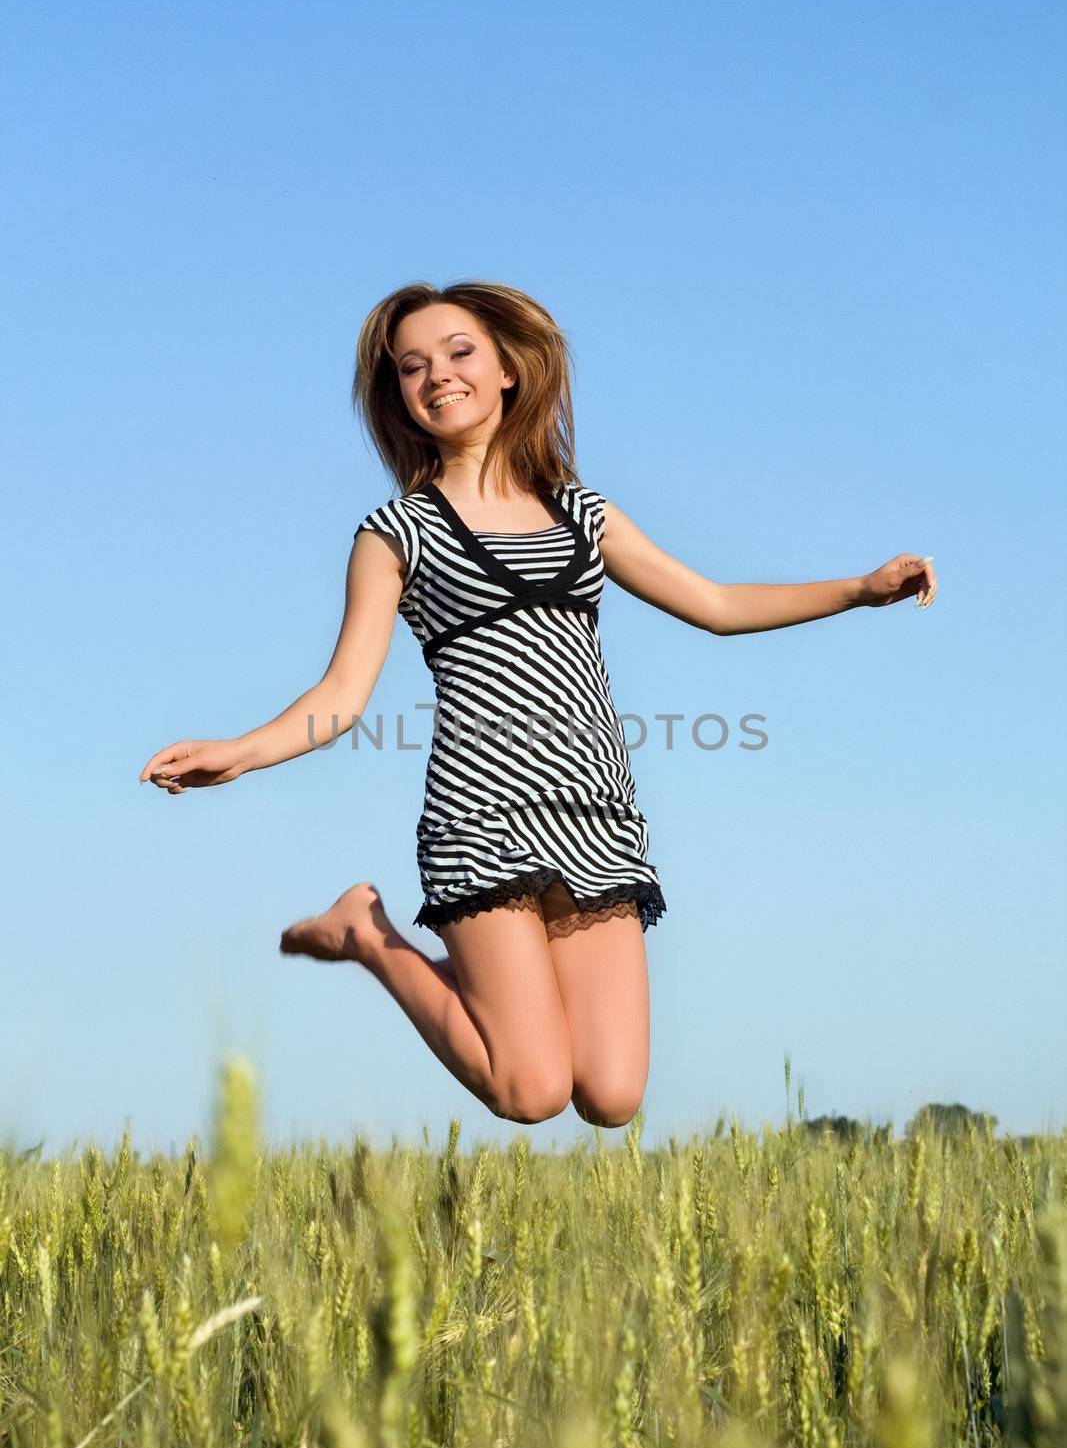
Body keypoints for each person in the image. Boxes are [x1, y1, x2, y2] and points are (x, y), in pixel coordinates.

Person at [139, 279, 938, 1129]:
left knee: (611, 1096)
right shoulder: (393, 534)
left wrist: (856, 589)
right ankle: (366, 933)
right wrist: (241, 749)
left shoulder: (583, 513)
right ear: (399, 398)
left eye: (458, 353)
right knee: (530, 1091)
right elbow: (340, 697)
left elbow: (714, 605)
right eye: (411, 367)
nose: (436, 376)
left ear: (507, 370)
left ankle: (370, 936)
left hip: (595, 817)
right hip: (479, 820)